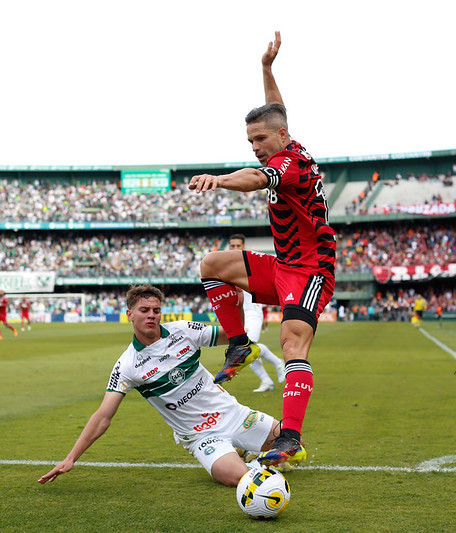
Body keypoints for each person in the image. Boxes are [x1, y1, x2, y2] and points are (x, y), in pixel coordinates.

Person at [188, 32, 335, 466]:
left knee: (293, 343)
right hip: (283, 263)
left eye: (260, 140)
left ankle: (289, 436)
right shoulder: (287, 139)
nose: (255, 147)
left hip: (311, 271)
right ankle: (240, 344)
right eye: (250, 141)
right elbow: (278, 113)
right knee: (211, 264)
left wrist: (220, 179)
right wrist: (267, 69)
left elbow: (254, 179)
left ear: (281, 138)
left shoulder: (289, 165)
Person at [37, 285, 293, 488]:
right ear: (130, 315)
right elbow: (103, 417)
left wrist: (236, 305)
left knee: (293, 445)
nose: (151, 315)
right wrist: (71, 458)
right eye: (144, 310)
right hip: (201, 436)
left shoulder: (184, 331)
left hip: (234, 414)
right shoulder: (127, 365)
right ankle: (240, 455)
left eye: (156, 310)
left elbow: (234, 335)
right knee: (240, 478)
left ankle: (246, 448)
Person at [228, 234, 287, 392]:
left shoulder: (250, 263)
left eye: (238, 246)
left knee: (246, 348)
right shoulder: (226, 266)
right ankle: (267, 380)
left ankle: (277, 363)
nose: (235, 249)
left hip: (253, 310)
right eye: (232, 246)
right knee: (246, 350)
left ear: (243, 247)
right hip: (239, 314)